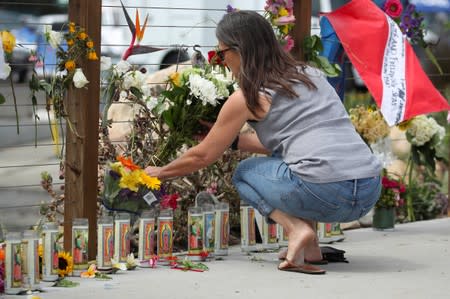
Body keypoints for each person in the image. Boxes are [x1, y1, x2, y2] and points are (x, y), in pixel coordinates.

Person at [145, 10, 382, 275]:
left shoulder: (249, 94)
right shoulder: (309, 75)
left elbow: (203, 156)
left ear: (240, 50)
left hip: (326, 192)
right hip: (369, 189)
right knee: (295, 163)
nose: (222, 62)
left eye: (222, 54)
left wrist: (160, 172)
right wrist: (233, 141)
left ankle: (297, 231)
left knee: (245, 173)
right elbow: (291, 143)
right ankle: (311, 249)